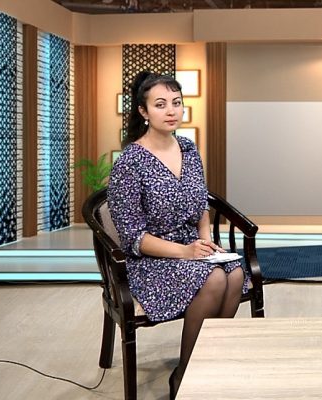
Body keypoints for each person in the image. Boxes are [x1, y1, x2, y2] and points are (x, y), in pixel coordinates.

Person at [107, 71, 249, 399]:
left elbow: (201, 205)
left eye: (176, 103)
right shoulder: (129, 162)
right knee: (215, 279)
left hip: (191, 247)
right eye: (160, 104)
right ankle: (184, 376)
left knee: (236, 272)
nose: (171, 111)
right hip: (152, 259)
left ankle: (207, 365)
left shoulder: (188, 148)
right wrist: (185, 252)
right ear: (143, 111)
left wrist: (205, 239)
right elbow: (133, 238)